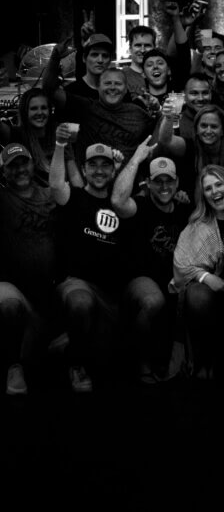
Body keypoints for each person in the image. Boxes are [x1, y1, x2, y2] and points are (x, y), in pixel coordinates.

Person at [49, 134, 130, 393]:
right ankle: (75, 365)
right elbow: (54, 184)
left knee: (109, 358)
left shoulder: (120, 203)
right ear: (83, 169)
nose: (98, 171)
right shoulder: (71, 197)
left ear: (113, 169)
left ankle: (69, 341)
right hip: (76, 285)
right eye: (92, 165)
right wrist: (61, 146)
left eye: (105, 165)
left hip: (110, 296)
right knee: (81, 302)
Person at [110, 143, 190, 383]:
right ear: (149, 183)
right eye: (158, 181)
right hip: (140, 283)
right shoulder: (140, 206)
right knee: (152, 300)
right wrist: (136, 159)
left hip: (173, 284)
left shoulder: (185, 210)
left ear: (177, 183)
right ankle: (140, 361)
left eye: (169, 181)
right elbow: (117, 200)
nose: (164, 186)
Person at [172, 165, 224, 381]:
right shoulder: (201, 225)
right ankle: (204, 360)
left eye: (219, 184)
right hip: (217, 295)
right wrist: (206, 277)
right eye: (208, 188)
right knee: (196, 294)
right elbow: (181, 265)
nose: (215, 192)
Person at [0, 143, 57, 396]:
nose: (20, 169)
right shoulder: (2, 198)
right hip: (17, 292)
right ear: (3, 172)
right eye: (13, 166)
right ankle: (14, 366)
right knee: (6, 302)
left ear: (33, 164)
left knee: (49, 356)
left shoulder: (50, 195)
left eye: (24, 163)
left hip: (51, 296)